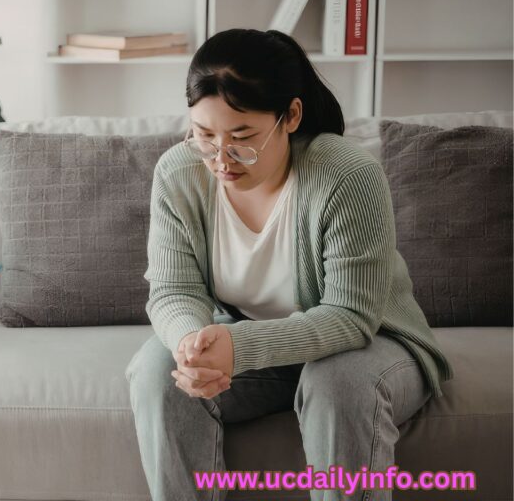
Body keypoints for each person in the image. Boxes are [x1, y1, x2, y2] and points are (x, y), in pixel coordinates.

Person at [125, 28, 453, 501]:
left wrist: (238, 347)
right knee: (160, 369)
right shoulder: (179, 173)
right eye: (204, 135)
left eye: (242, 138)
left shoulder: (346, 175)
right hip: (257, 344)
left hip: (373, 344)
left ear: (291, 116)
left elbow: (351, 317)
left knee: (337, 382)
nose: (221, 159)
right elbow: (173, 290)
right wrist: (191, 348)